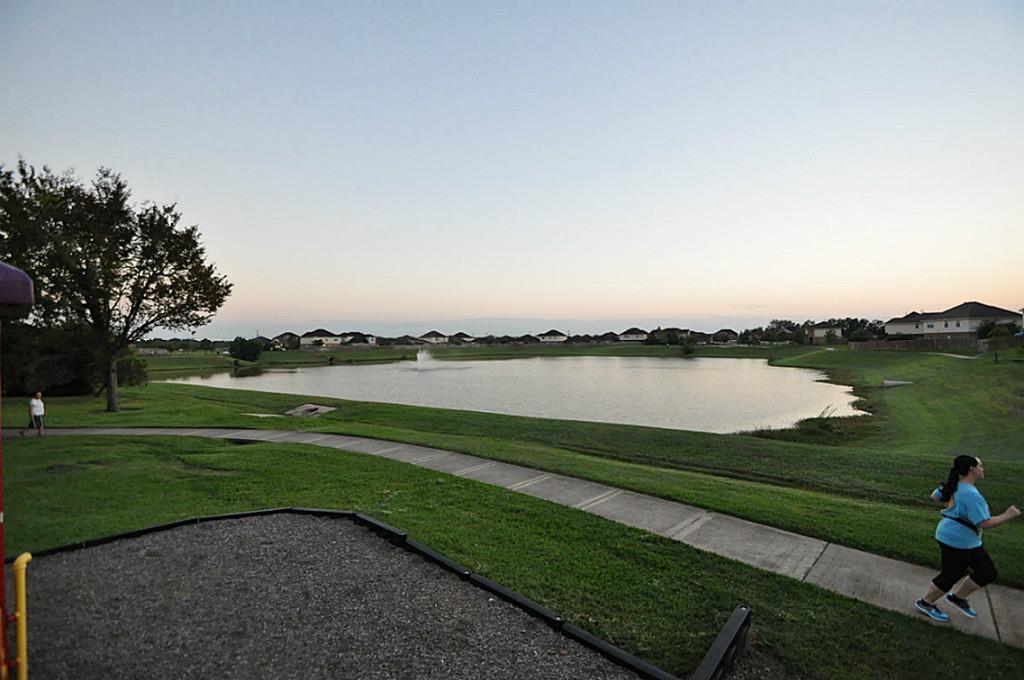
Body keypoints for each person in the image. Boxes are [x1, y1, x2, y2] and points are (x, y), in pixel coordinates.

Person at [915, 455, 1020, 622]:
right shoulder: (971, 494)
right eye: (981, 466)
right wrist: (1008, 515)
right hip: (957, 541)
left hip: (961, 539)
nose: (983, 469)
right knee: (950, 576)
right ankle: (925, 603)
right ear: (971, 469)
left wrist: (954, 506)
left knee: (987, 572)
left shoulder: (954, 485)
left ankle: (958, 597)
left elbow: (935, 496)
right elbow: (984, 523)